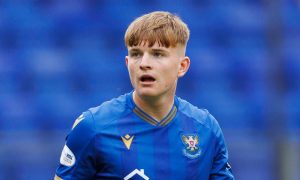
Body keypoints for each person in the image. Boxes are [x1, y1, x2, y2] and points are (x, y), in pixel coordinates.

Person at [54, 11, 234, 180]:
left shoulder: (206, 129)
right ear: (127, 63)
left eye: (158, 54)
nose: (144, 63)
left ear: (182, 66)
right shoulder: (93, 127)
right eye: (136, 54)